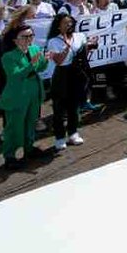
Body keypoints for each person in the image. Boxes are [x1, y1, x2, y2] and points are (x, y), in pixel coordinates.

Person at [0, 23, 50, 169]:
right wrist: (31, 65)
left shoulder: (34, 49)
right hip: (17, 94)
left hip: (33, 90)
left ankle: (29, 149)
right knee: (14, 125)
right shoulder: (8, 56)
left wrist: (45, 60)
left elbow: (40, 68)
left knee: (30, 122)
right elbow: (15, 75)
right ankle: (10, 155)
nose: (28, 39)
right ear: (15, 40)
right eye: (24, 36)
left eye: (31, 36)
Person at [45, 13, 92, 151]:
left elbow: (84, 54)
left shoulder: (80, 36)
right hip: (61, 73)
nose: (69, 25)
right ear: (58, 26)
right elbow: (59, 60)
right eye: (65, 23)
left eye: (70, 22)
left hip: (76, 73)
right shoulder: (54, 41)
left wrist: (89, 46)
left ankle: (73, 132)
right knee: (59, 107)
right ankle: (59, 137)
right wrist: (67, 45)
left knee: (74, 105)